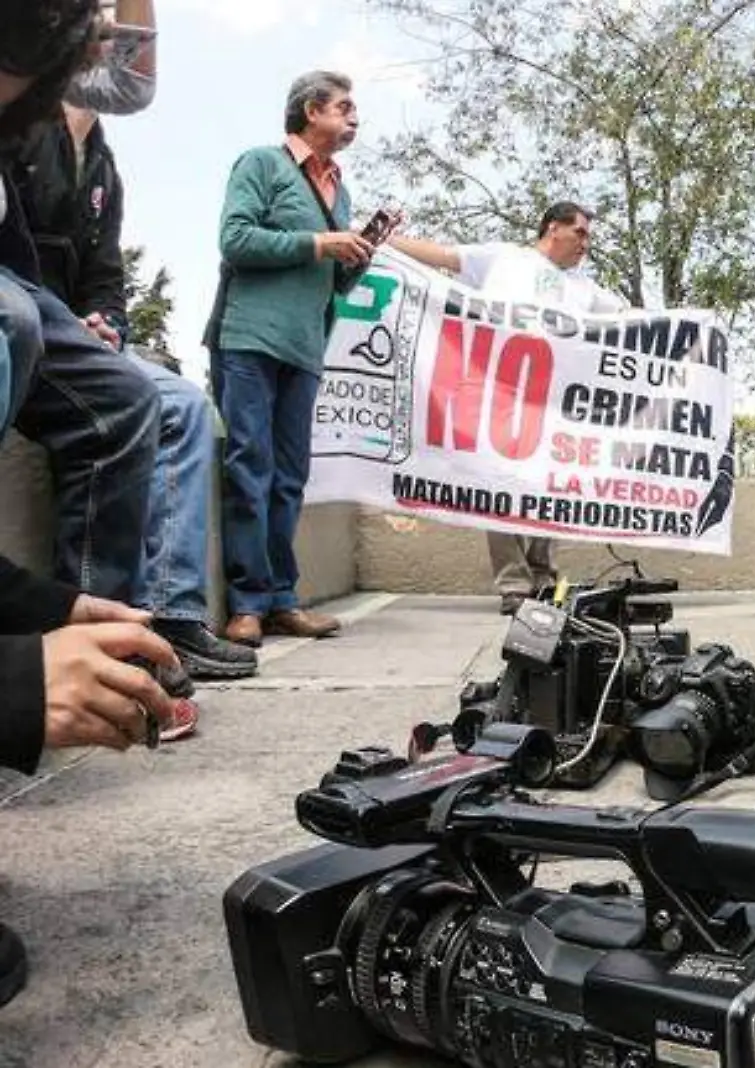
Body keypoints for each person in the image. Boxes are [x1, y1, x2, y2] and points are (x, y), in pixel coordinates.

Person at [0, 0, 180, 1011]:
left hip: (53, 308)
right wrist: (16, 690)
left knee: (141, 395)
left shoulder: (86, 150)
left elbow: (132, 74)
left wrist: (48, 613)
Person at [6, 104, 256, 680]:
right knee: (117, 392)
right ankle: (97, 639)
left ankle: (168, 617)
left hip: (72, 330)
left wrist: (107, 321)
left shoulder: (103, 164)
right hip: (28, 311)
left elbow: (105, 274)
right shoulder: (22, 118)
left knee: (186, 404)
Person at [390, 201, 632, 614]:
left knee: (545, 484)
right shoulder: (504, 259)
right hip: (495, 394)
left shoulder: (584, 289)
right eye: (580, 233)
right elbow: (443, 256)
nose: (586, 243)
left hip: (551, 404)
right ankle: (513, 585)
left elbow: (632, 319)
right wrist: (383, 239)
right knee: (496, 482)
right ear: (553, 228)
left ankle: (543, 577)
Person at [206, 70, 366, 646]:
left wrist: (354, 255)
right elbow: (236, 239)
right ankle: (246, 602)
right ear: (309, 110)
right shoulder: (262, 164)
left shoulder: (338, 190)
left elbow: (335, 281)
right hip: (248, 338)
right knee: (251, 467)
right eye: (343, 106)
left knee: (289, 477)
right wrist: (321, 242)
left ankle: (280, 599)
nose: (353, 116)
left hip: (304, 347)